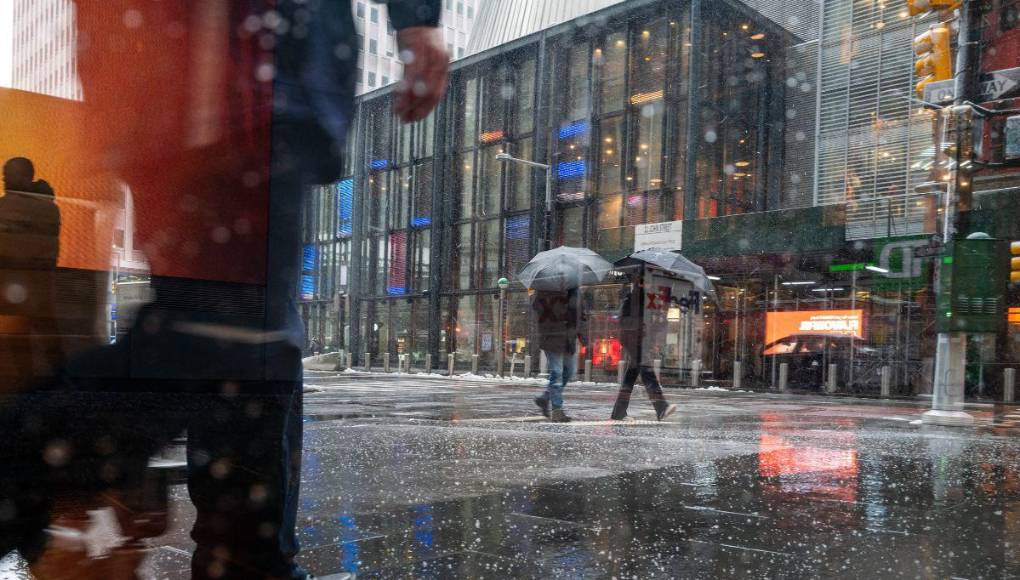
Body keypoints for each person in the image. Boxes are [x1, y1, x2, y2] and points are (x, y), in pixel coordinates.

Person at [0, 2, 449, 579]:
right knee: (230, 337)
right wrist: (417, 17)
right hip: (229, 80)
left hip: (213, 85)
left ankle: (249, 560)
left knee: (252, 349)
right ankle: (24, 469)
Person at [610, 272, 678, 422]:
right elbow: (622, 321)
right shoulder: (632, 298)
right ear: (639, 283)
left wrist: (661, 319)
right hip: (632, 340)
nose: (647, 285)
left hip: (640, 340)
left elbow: (653, 325)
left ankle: (618, 412)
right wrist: (641, 325)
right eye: (644, 282)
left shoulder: (648, 300)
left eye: (648, 282)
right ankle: (661, 407)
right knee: (647, 372)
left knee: (630, 376)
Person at [532, 288, 583, 423]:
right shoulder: (545, 289)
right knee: (557, 372)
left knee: (569, 371)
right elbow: (538, 309)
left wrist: (583, 335)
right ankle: (557, 410)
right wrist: (556, 300)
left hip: (568, 338)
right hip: (552, 337)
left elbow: (580, 314)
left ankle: (545, 398)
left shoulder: (574, 290)